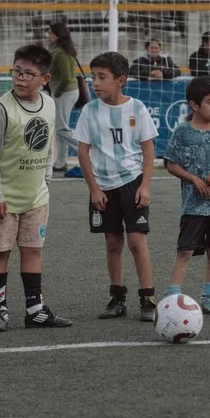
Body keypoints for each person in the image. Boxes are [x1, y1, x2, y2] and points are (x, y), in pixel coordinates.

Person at [0, 45, 72, 331]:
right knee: (0, 252)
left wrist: (46, 179)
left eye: (28, 74)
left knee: (33, 250)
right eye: (16, 72)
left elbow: (47, 144)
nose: (20, 79)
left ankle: (35, 310)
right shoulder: (0, 109)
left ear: (44, 79)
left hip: (37, 196)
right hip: (4, 199)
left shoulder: (49, 103)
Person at [74, 52, 159, 321]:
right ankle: (117, 298)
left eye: (102, 77)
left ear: (120, 80)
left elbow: (148, 149)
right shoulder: (89, 110)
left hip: (132, 183)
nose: (95, 83)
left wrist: (145, 186)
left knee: (137, 241)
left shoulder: (137, 108)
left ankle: (147, 298)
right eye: (93, 77)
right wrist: (94, 189)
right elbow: (83, 151)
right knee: (112, 243)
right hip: (103, 187)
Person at [162, 77, 210, 315]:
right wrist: (194, 179)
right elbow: (171, 165)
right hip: (194, 206)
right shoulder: (182, 132)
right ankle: (172, 296)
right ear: (194, 105)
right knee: (185, 250)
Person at [47, 21, 88, 173]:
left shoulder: (61, 53)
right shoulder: (63, 50)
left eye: (51, 32)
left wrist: (56, 92)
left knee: (62, 128)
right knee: (59, 128)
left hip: (65, 92)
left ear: (58, 35)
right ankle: (60, 162)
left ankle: (86, 151)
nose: (48, 35)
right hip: (67, 91)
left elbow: (66, 77)